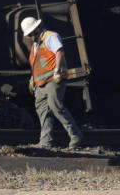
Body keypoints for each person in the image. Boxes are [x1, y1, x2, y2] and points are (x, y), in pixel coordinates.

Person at [22, 16, 83, 149]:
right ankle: (45, 142)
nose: (32, 36)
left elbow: (59, 52)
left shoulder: (51, 37)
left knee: (55, 106)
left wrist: (57, 71)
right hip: (40, 84)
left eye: (34, 32)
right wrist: (32, 79)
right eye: (30, 34)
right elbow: (36, 64)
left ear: (38, 28)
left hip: (53, 79)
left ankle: (75, 135)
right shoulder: (35, 46)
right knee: (43, 110)